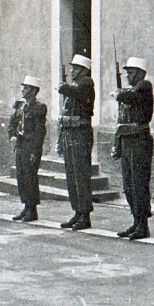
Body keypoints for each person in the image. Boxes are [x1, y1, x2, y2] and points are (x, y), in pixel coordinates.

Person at [112, 57, 154, 240]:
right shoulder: (130, 90)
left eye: (130, 72)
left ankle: (143, 225)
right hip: (127, 140)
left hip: (139, 140)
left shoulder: (144, 86)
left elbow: (132, 96)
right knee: (129, 185)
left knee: (138, 184)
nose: (127, 75)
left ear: (139, 72)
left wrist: (119, 94)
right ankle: (136, 222)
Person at [57, 54, 96, 231]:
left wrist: (65, 87)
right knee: (72, 175)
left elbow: (78, 93)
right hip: (70, 133)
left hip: (80, 133)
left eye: (74, 68)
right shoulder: (73, 87)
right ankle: (77, 211)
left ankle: (85, 214)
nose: (71, 70)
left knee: (81, 175)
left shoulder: (86, 83)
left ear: (83, 70)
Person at [8, 75, 47, 222]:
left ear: (33, 90)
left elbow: (40, 131)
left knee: (30, 177)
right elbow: (11, 123)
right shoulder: (20, 106)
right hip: (21, 144)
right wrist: (12, 135)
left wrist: (36, 150)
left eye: (26, 87)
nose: (23, 90)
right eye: (23, 87)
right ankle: (25, 206)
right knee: (21, 176)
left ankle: (33, 209)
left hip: (31, 145)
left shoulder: (39, 107)